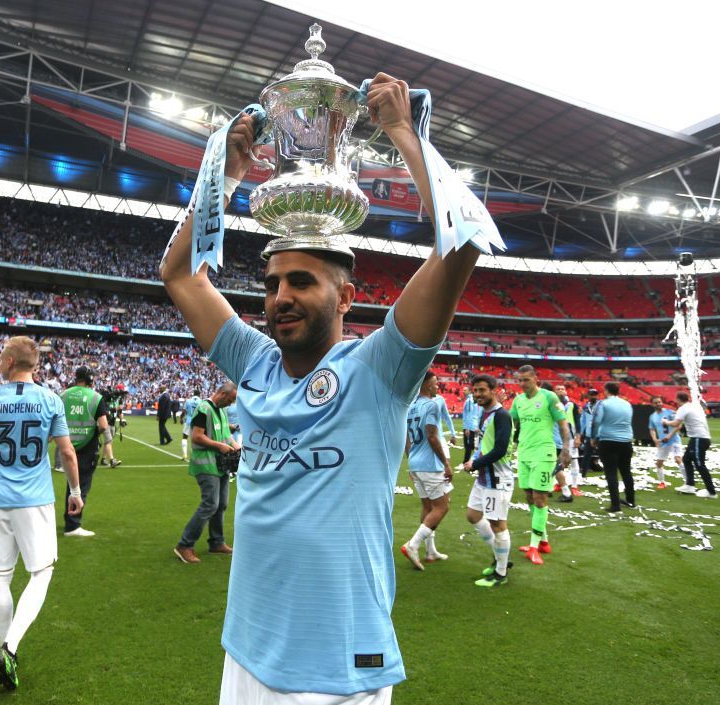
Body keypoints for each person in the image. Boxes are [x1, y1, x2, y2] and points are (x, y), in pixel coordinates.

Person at [160, 73, 480, 703]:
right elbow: (180, 274)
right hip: (247, 653)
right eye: (273, 282)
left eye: (301, 281)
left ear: (347, 296)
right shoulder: (253, 360)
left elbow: (462, 243)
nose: (280, 297)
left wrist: (402, 134)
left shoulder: (381, 369)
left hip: (340, 670)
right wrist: (224, 178)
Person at [0, 336, 83, 691]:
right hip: (36, 501)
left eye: (2, 357)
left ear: (11, 361)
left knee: (0, 578)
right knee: (42, 573)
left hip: (0, 500)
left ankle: (6, 654)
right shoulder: (50, 399)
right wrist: (75, 492)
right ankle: (10, 649)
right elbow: (67, 452)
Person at [510, 365, 571, 566]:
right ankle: (543, 541)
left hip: (544, 454)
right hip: (524, 454)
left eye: (526, 380)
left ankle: (534, 546)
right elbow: (512, 421)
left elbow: (563, 424)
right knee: (528, 496)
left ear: (536, 379)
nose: (522, 384)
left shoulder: (549, 397)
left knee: (540, 498)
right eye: (520, 380)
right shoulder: (518, 401)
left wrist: (566, 449)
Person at [173, 382, 240, 564]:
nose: (230, 404)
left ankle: (216, 542)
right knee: (210, 504)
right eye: (230, 400)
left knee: (222, 504)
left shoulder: (222, 411)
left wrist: (237, 448)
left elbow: (226, 435)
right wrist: (220, 446)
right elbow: (197, 436)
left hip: (220, 464)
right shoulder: (204, 408)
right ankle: (184, 545)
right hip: (206, 464)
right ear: (222, 394)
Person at [463, 374, 514, 588]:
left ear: (493, 390)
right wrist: (474, 459)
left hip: (497, 478)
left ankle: (501, 572)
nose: (478, 394)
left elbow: (500, 449)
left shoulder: (501, 415)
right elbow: (486, 443)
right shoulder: (486, 413)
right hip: (485, 476)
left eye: (482, 390)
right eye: (475, 391)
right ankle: (499, 557)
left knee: (498, 524)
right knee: (473, 515)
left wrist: (475, 464)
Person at [400, 371, 453, 569]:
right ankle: (413, 545)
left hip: (415, 463)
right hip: (430, 465)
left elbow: (405, 437)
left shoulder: (411, 407)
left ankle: (430, 551)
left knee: (428, 507)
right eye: (435, 383)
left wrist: (411, 458)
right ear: (427, 385)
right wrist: (446, 464)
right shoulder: (431, 405)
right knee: (442, 507)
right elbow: (432, 436)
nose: (437, 386)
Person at [61, 366, 120, 538]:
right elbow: (102, 425)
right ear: (90, 380)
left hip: (67, 444)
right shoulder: (95, 397)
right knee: (82, 486)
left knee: (71, 483)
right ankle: (73, 525)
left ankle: (68, 517)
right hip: (87, 446)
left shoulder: (64, 395)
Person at [591, 382, 634, 512]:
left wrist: (593, 437)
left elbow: (597, 421)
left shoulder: (603, 403)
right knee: (626, 471)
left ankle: (615, 504)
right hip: (626, 440)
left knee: (611, 472)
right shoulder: (627, 404)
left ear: (606, 391)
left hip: (608, 440)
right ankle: (631, 500)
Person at [665, 391, 718, 498]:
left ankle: (711, 492)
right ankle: (689, 485)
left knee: (700, 465)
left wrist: (665, 422)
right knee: (686, 460)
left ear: (678, 399)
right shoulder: (693, 406)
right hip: (699, 438)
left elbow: (676, 423)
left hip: (699, 438)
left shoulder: (683, 408)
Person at [551, 383, 582, 501]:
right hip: (556, 438)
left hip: (571, 437)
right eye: (558, 388)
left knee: (573, 461)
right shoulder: (551, 405)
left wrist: (578, 436)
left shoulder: (572, 405)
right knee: (557, 462)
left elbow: (578, 422)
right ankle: (559, 484)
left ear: (566, 392)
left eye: (562, 389)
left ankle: (574, 486)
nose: (560, 391)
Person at [648, 395, 683, 489]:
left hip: (674, 440)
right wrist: (655, 439)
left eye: (659, 402)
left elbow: (678, 425)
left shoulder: (670, 412)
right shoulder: (652, 417)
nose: (659, 404)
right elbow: (652, 429)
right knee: (659, 463)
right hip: (662, 442)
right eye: (656, 402)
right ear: (652, 404)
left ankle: (688, 482)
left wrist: (669, 435)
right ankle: (662, 482)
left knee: (678, 459)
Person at [579, 389, 601, 476]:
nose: (593, 396)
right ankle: (584, 472)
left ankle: (609, 471)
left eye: (595, 394)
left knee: (604, 453)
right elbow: (583, 421)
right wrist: (580, 432)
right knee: (587, 454)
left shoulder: (601, 405)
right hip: (589, 434)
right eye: (591, 394)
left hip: (600, 433)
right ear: (588, 396)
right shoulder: (585, 407)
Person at [181, 390, 202, 461]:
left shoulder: (188, 401)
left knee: (184, 437)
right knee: (196, 439)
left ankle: (184, 454)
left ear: (193, 394)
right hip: (198, 421)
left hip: (188, 421)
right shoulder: (201, 401)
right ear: (199, 394)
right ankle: (195, 456)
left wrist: (181, 418)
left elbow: (184, 411)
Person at [461, 385, 480, 461]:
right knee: (470, 444)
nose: (463, 391)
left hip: (469, 425)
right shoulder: (473, 399)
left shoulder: (469, 400)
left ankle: (466, 461)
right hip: (473, 425)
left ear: (469, 391)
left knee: (467, 444)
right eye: (463, 390)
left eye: (465, 390)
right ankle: (476, 453)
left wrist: (467, 428)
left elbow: (469, 414)